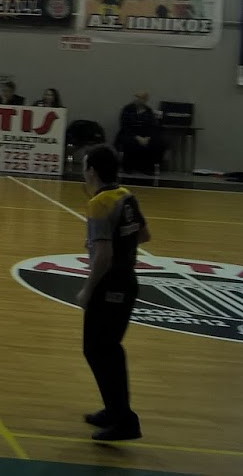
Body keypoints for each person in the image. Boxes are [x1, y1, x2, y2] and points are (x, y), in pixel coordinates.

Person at [78, 146, 149, 442]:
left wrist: (88, 289)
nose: (83, 173)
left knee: (99, 350)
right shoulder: (125, 195)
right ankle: (114, 410)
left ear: (93, 171)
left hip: (110, 285)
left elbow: (104, 255)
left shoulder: (99, 204)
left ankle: (125, 420)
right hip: (127, 281)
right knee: (107, 348)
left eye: (84, 167)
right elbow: (144, 234)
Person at [114, 90, 161, 174]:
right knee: (128, 141)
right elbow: (124, 126)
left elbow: (153, 126)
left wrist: (147, 137)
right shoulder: (127, 109)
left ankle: (148, 167)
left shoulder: (149, 111)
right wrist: (137, 137)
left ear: (145, 100)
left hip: (145, 135)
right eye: (137, 97)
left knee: (157, 142)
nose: (138, 99)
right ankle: (128, 167)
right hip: (130, 134)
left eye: (141, 98)